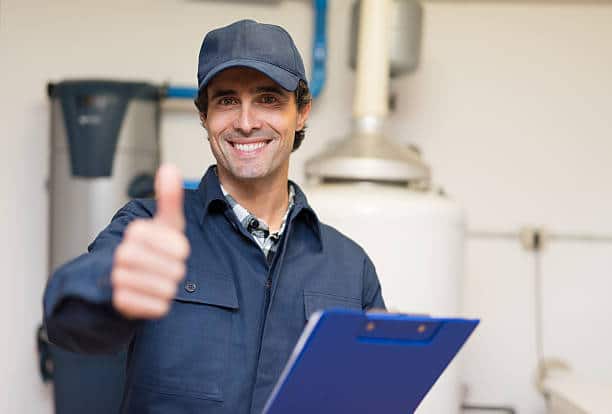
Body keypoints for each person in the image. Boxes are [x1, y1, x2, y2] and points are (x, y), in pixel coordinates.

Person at [43, 19, 385, 413]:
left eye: (268, 99)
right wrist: (110, 283)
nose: (245, 122)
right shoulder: (146, 229)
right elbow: (68, 321)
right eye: (226, 100)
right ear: (204, 116)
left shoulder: (350, 267)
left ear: (302, 112)